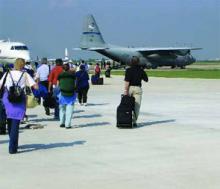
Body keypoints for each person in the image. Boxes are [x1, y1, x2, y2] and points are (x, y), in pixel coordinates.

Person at [0, 58, 38, 154]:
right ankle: (12, 147)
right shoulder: (25, 74)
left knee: (9, 122)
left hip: (8, 100)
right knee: (15, 124)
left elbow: (1, 85)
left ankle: (13, 143)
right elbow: (35, 86)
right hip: (19, 100)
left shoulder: (8, 73)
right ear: (23, 65)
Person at [124, 56, 148, 127]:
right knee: (136, 106)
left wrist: (126, 90)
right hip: (137, 89)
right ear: (138, 62)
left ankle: (127, 119)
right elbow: (146, 79)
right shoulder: (141, 70)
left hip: (130, 88)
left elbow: (127, 82)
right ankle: (134, 121)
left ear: (131, 62)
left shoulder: (128, 70)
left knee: (127, 105)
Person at [57, 63, 76, 128]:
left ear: (63, 68)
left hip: (62, 94)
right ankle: (67, 124)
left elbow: (58, 85)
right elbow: (75, 84)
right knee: (69, 110)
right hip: (71, 94)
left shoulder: (60, 75)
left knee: (62, 109)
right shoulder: (73, 75)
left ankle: (62, 122)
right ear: (69, 68)